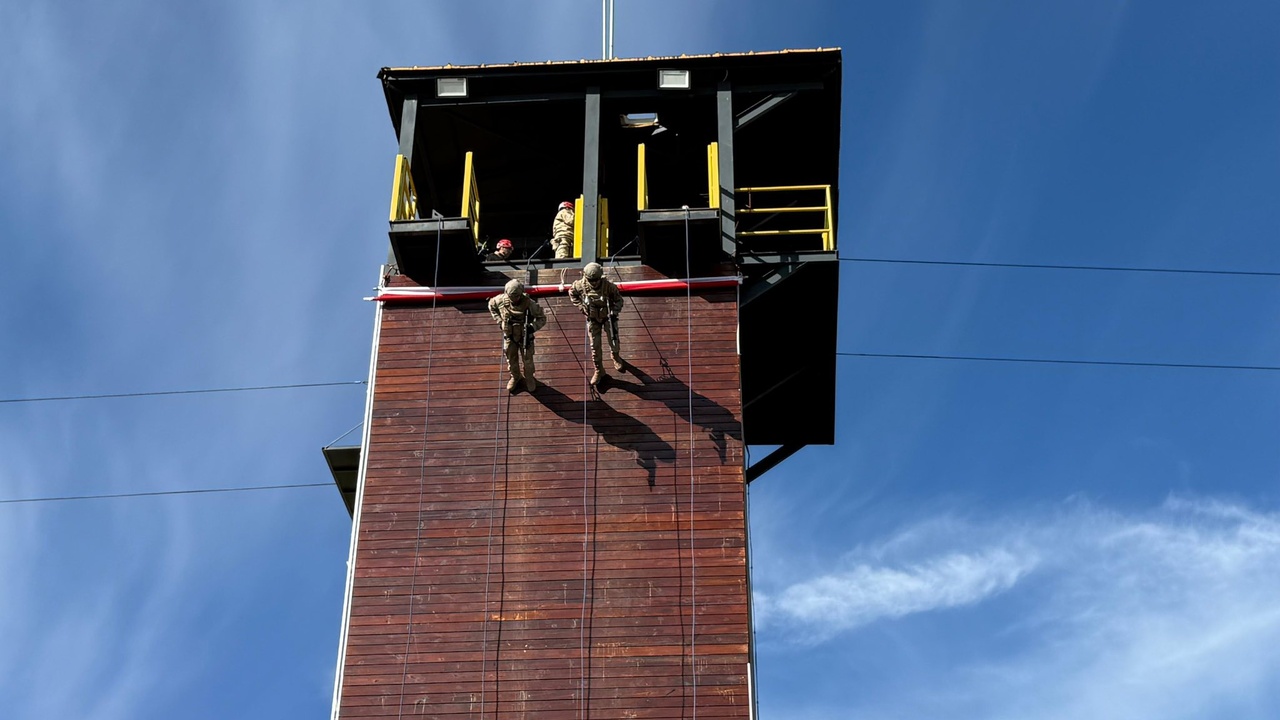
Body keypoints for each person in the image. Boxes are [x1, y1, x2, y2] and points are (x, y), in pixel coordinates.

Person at [568, 262, 624, 385]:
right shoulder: (579, 285)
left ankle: (615, 356)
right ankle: (598, 369)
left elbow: (619, 300)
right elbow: (572, 294)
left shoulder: (609, 286)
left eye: (596, 280)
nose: (594, 283)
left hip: (608, 317)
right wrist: (581, 307)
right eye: (591, 280)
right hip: (593, 319)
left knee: (614, 340)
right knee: (595, 346)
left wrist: (614, 312)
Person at [488, 279, 547, 392]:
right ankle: (515, 377)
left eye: (516, 296)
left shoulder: (529, 304)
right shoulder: (499, 301)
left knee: (528, 361)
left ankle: (529, 378)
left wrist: (532, 327)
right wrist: (500, 322)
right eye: (511, 296)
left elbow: (542, 318)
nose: (514, 299)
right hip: (510, 336)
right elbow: (491, 306)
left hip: (525, 336)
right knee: (511, 359)